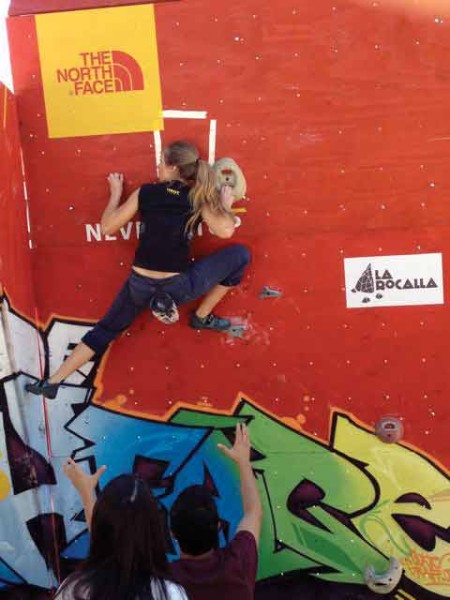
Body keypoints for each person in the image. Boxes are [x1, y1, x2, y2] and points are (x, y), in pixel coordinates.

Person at [25, 140, 251, 399]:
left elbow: (108, 227)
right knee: (240, 256)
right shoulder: (196, 197)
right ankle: (200, 316)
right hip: (178, 288)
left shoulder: (146, 193)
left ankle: (53, 381)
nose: (158, 166)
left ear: (172, 167)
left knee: (105, 330)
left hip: (139, 285)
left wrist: (115, 193)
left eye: (161, 162)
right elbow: (225, 231)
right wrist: (224, 205)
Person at [56, 458, 187, 600]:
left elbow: (112, 536)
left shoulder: (71, 590)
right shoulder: (170, 594)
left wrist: (86, 494)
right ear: (154, 531)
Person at [169, 423, 263, 600]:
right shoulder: (237, 564)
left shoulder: (164, 581)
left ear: (173, 532)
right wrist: (243, 461)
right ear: (219, 526)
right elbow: (253, 512)